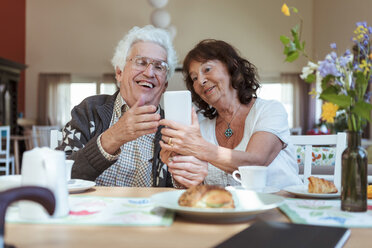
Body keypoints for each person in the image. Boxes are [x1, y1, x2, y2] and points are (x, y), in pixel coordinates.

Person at [159, 39, 303, 189]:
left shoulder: (270, 110)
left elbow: (255, 162)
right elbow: (190, 188)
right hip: (226, 209)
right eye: (194, 78)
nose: (200, 81)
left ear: (232, 66)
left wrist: (199, 147)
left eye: (207, 69)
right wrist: (177, 167)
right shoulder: (200, 127)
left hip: (283, 205)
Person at [57, 25, 183, 187]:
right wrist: (114, 136)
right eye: (141, 62)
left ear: (164, 85)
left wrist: (183, 178)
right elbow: (60, 174)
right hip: (93, 211)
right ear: (119, 73)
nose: (149, 73)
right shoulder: (89, 110)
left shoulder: (172, 128)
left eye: (159, 66)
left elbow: (177, 194)